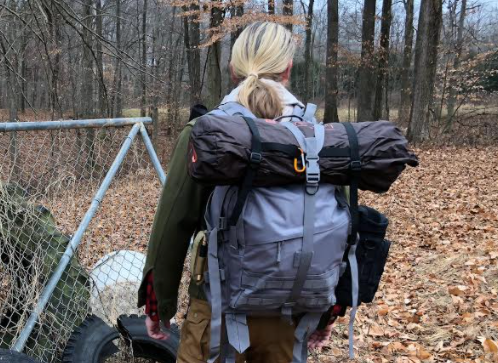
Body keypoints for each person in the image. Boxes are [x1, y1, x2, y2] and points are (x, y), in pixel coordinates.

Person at [137, 22, 338, 363]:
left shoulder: (206, 131)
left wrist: (160, 306)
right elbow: (336, 227)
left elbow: (173, 223)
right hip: (288, 315)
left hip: (215, 311)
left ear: (232, 69)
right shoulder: (318, 137)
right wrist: (330, 310)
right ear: (288, 68)